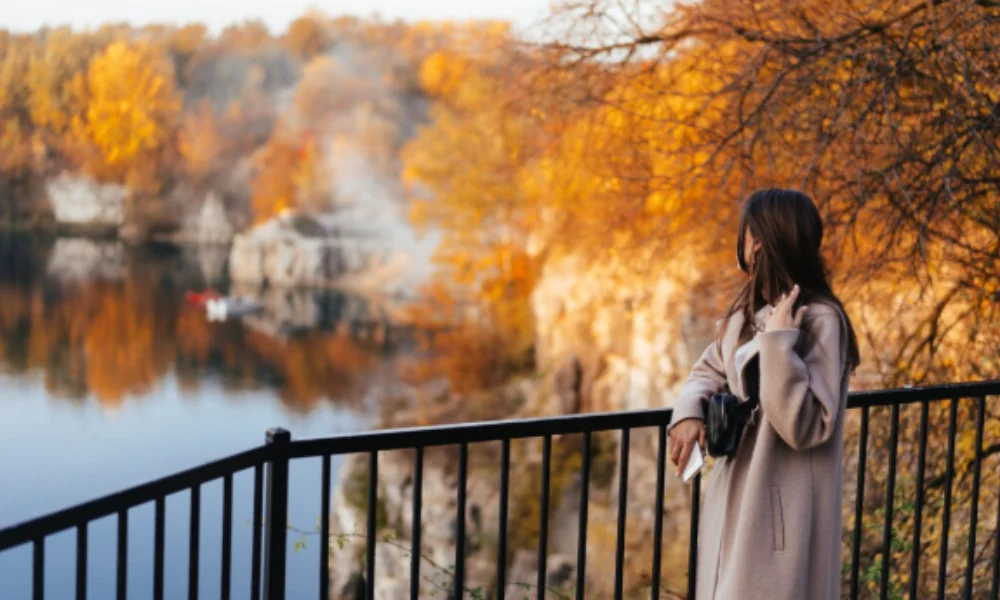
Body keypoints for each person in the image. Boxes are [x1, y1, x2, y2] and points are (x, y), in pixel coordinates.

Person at [667, 188, 861, 600]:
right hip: (734, 506)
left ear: (759, 240)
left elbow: (805, 426)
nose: (741, 241)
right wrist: (687, 413)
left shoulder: (821, 320)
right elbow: (708, 370)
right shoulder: (745, 315)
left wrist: (778, 344)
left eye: (746, 232)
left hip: (781, 520)